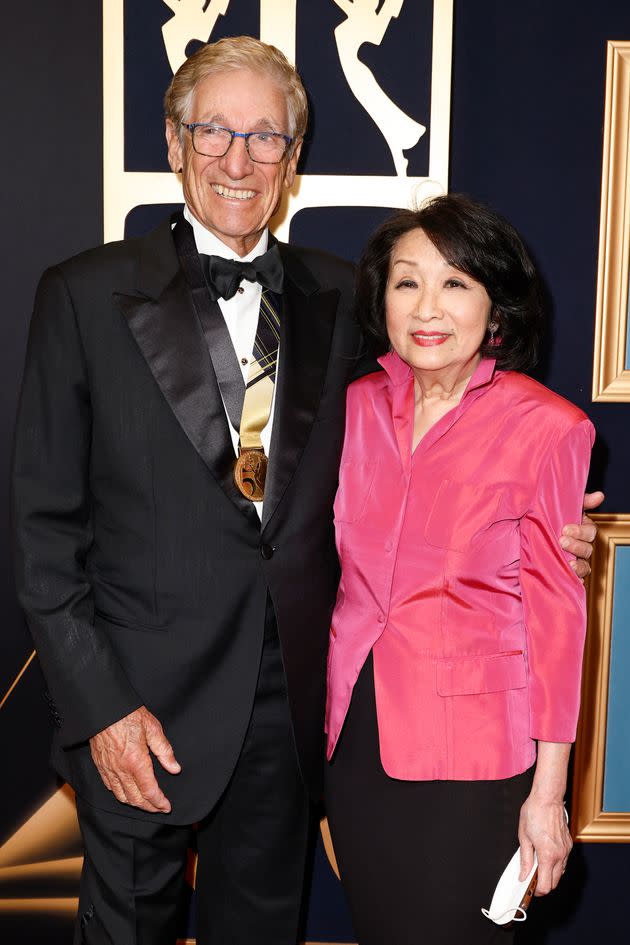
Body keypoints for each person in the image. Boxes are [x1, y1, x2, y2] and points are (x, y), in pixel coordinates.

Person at [11, 36, 598, 945]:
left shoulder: (345, 297)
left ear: (292, 160)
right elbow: (44, 537)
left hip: (291, 724)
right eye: (215, 132)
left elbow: (443, 430)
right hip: (141, 712)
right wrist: (103, 712)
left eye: (267, 138)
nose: (239, 161)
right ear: (173, 142)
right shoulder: (83, 297)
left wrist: (557, 526)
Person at [324, 194, 596, 945]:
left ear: (495, 304)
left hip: (477, 765)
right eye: (407, 281)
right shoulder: (350, 411)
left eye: (455, 283)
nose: (427, 306)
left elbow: (558, 625)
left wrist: (549, 794)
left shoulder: (550, 428)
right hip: (358, 745)